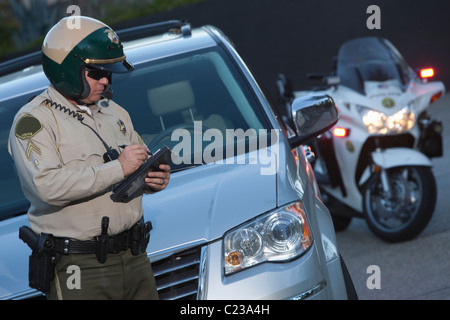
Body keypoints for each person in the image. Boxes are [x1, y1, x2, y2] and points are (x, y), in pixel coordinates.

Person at [8, 16, 170, 300]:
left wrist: (154, 178)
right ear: (68, 69)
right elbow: (47, 186)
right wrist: (118, 169)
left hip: (135, 258)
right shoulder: (32, 122)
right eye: (96, 73)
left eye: (108, 73)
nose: (106, 80)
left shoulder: (115, 112)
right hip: (79, 267)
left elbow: (137, 165)